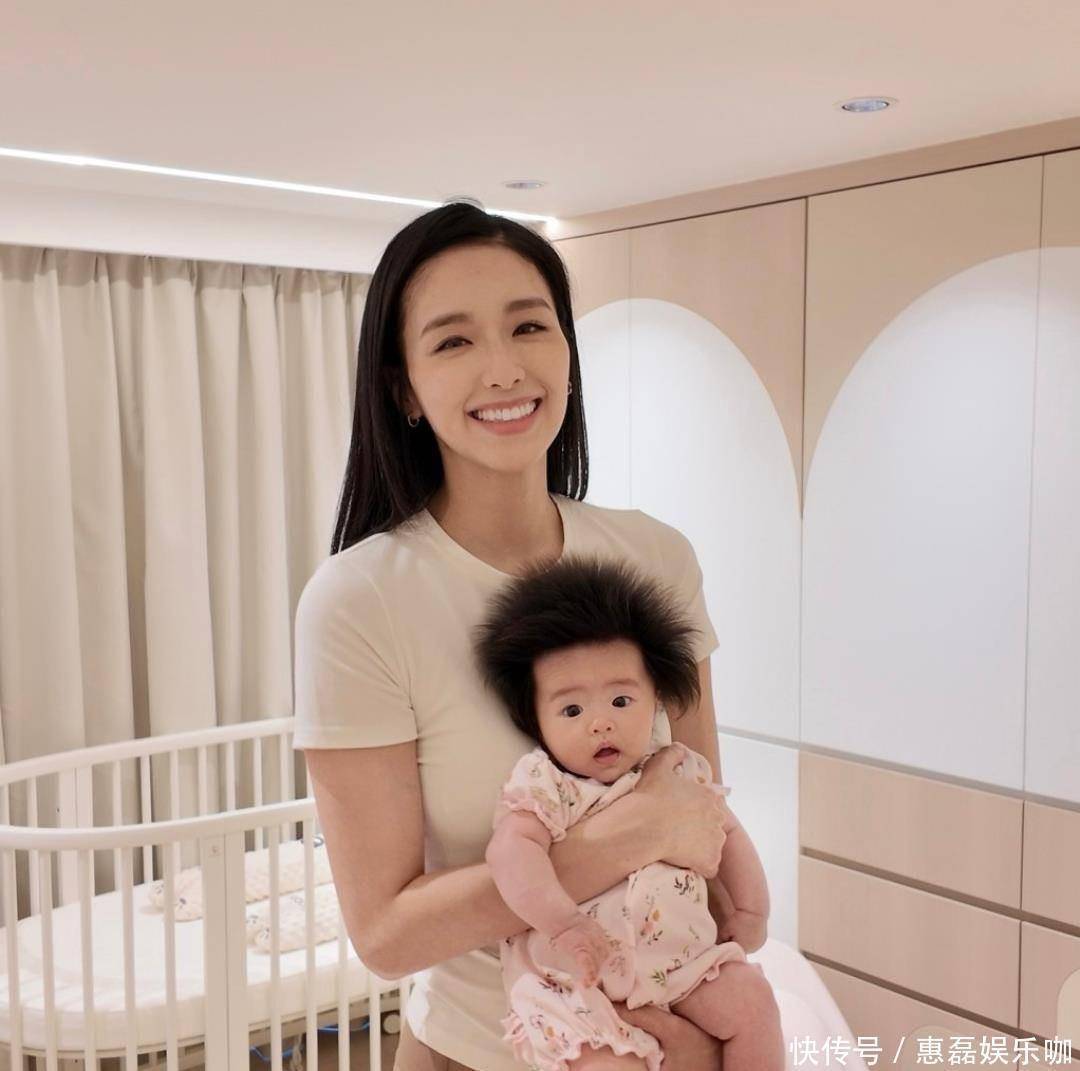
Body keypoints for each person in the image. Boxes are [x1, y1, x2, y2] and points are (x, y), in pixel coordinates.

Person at [293, 201, 745, 1071]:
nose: (503, 368)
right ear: (403, 388)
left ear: (566, 351)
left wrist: (701, 1037)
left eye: (529, 326)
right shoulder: (359, 601)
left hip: (667, 1043)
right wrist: (625, 836)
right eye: (454, 341)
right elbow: (386, 933)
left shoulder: (655, 556)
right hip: (479, 1050)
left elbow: (703, 829)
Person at [475, 554, 784, 1071]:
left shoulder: (679, 770)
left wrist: (752, 911)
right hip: (576, 979)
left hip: (681, 967)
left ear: (656, 700)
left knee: (753, 1003)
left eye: (620, 701)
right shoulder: (547, 784)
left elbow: (727, 832)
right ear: (536, 720)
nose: (600, 723)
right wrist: (563, 923)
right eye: (572, 710)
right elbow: (511, 852)